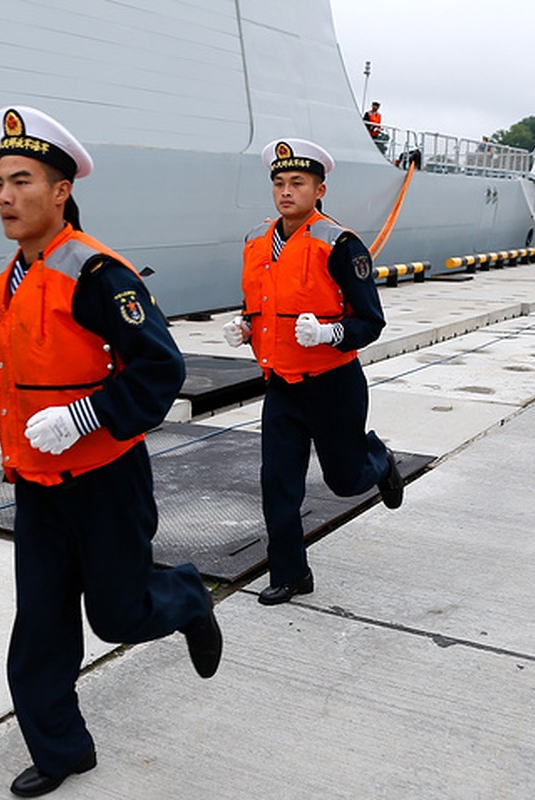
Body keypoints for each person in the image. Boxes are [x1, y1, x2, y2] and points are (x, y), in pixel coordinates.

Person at [0, 105, 222, 798]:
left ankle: (187, 598)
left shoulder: (98, 274)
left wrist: (84, 416)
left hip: (106, 478)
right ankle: (62, 750)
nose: (5, 197)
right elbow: (21, 360)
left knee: (118, 616)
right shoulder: (8, 278)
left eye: (21, 180)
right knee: (39, 630)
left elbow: (158, 369)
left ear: (59, 191)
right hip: (37, 484)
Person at [222, 138, 404, 605]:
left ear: (319, 189)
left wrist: (329, 335)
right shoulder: (255, 241)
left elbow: (370, 321)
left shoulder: (340, 244)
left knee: (344, 481)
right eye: (279, 183)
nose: (286, 191)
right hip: (281, 384)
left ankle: (378, 460)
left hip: (333, 384)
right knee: (277, 483)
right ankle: (291, 572)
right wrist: (246, 326)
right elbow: (263, 303)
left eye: (297, 183)